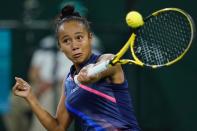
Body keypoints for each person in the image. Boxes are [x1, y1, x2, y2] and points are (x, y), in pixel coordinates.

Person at [12, 5, 141, 131]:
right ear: (60, 47)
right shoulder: (68, 82)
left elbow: (103, 66)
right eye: (66, 41)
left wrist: (92, 72)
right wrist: (30, 96)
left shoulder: (109, 61)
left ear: (90, 38)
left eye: (79, 37)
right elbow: (58, 127)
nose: (74, 45)